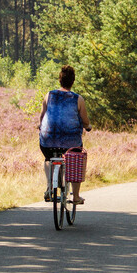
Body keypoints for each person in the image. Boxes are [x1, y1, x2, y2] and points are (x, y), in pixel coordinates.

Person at [39, 65, 91, 204]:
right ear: (73, 81)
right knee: (76, 158)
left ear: (59, 80)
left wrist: (41, 126)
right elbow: (85, 121)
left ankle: (50, 187)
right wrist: (88, 126)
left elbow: (42, 116)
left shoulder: (49, 95)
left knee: (48, 158)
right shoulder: (78, 99)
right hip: (71, 141)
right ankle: (76, 196)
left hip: (48, 139)